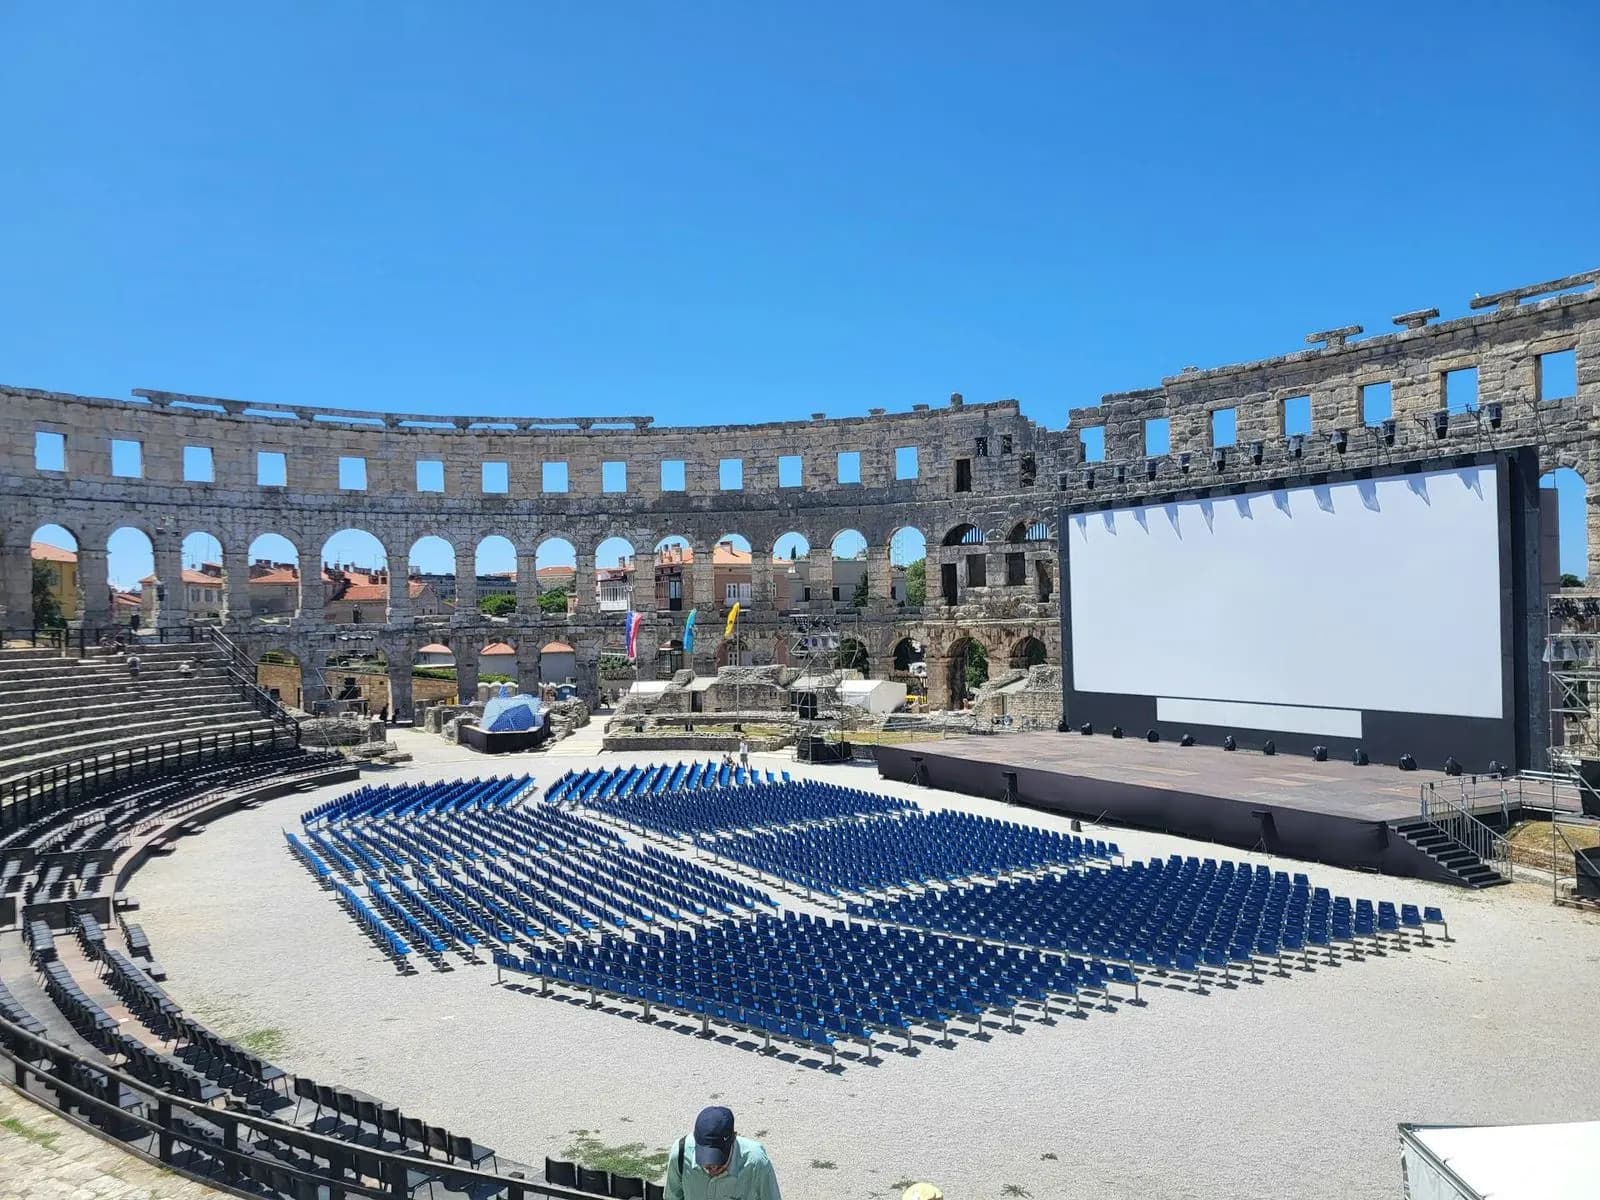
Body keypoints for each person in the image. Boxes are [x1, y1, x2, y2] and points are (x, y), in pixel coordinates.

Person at [665, 1106, 780, 1200]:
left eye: (719, 1160)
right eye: (707, 1162)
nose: (714, 1167)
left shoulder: (757, 1162)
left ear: (733, 1139)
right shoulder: (680, 1154)